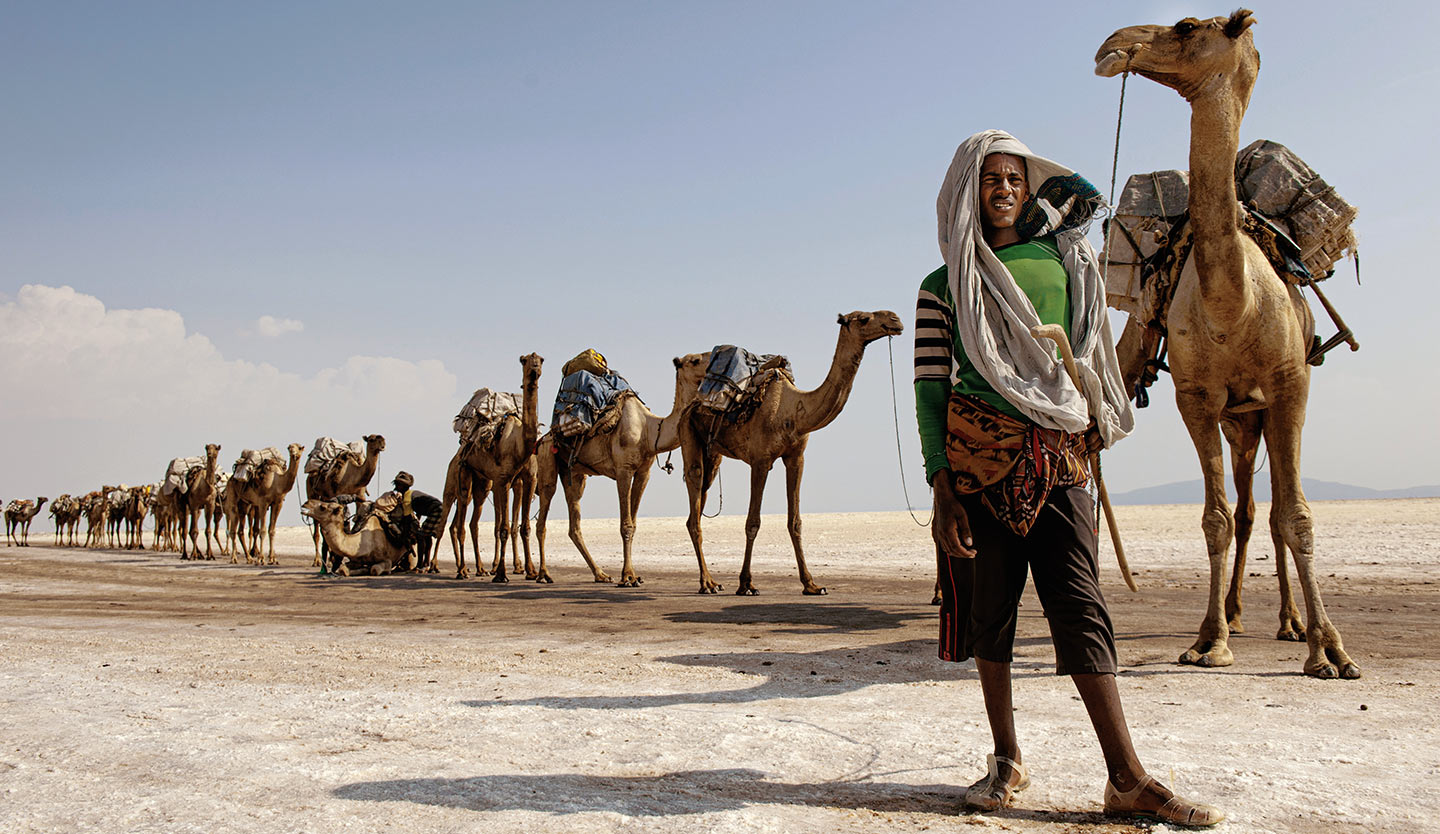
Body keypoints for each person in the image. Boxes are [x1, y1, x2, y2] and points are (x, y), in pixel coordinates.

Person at [914, 130, 1223, 828]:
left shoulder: (1065, 260)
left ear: (1030, 189)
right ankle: (1004, 758)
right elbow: (931, 390)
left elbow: (1086, 347)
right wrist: (940, 483)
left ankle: (1127, 776)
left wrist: (1086, 410)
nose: (1003, 190)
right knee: (991, 613)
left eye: (1015, 179)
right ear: (967, 190)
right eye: (989, 179)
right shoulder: (942, 286)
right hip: (977, 459)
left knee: (1079, 604)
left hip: (1059, 455)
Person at [390, 471, 444, 570]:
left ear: (403, 486)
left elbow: (407, 519)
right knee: (427, 536)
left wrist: (405, 535)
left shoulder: (407, 498)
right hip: (440, 509)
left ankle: (419, 565)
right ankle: (426, 562)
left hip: (437, 511)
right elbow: (419, 511)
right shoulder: (413, 494)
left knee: (420, 536)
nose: (396, 487)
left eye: (398, 485)